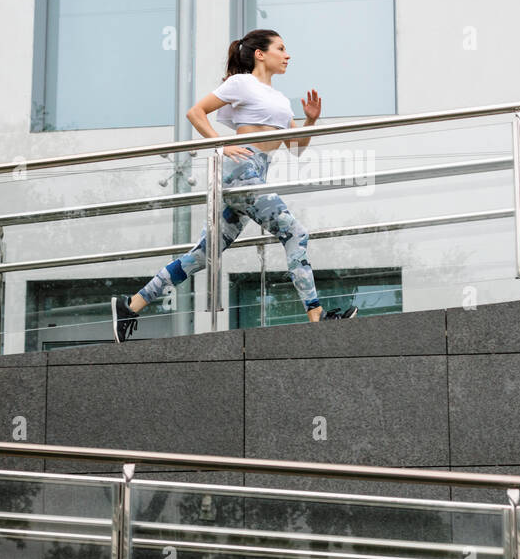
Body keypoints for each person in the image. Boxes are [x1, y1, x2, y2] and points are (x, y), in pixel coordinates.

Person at [110, 29, 358, 342]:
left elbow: (296, 146)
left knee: (204, 255)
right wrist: (222, 143)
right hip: (239, 171)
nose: (287, 55)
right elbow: (195, 112)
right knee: (295, 232)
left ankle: (131, 305)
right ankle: (317, 315)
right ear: (260, 54)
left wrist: (309, 121)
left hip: (255, 174)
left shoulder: (281, 100)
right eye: (281, 48)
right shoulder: (241, 83)